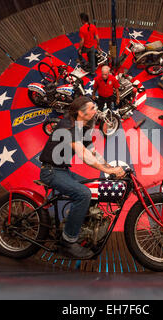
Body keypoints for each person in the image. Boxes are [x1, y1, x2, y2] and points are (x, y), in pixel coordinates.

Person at [39, 96, 125, 259]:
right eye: (92, 108)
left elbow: (92, 152)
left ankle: (76, 225)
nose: (96, 110)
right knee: (83, 194)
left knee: (91, 191)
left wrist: (109, 168)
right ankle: (68, 243)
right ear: (81, 112)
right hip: (51, 171)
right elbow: (84, 155)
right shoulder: (67, 126)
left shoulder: (83, 128)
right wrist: (111, 171)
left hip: (62, 170)